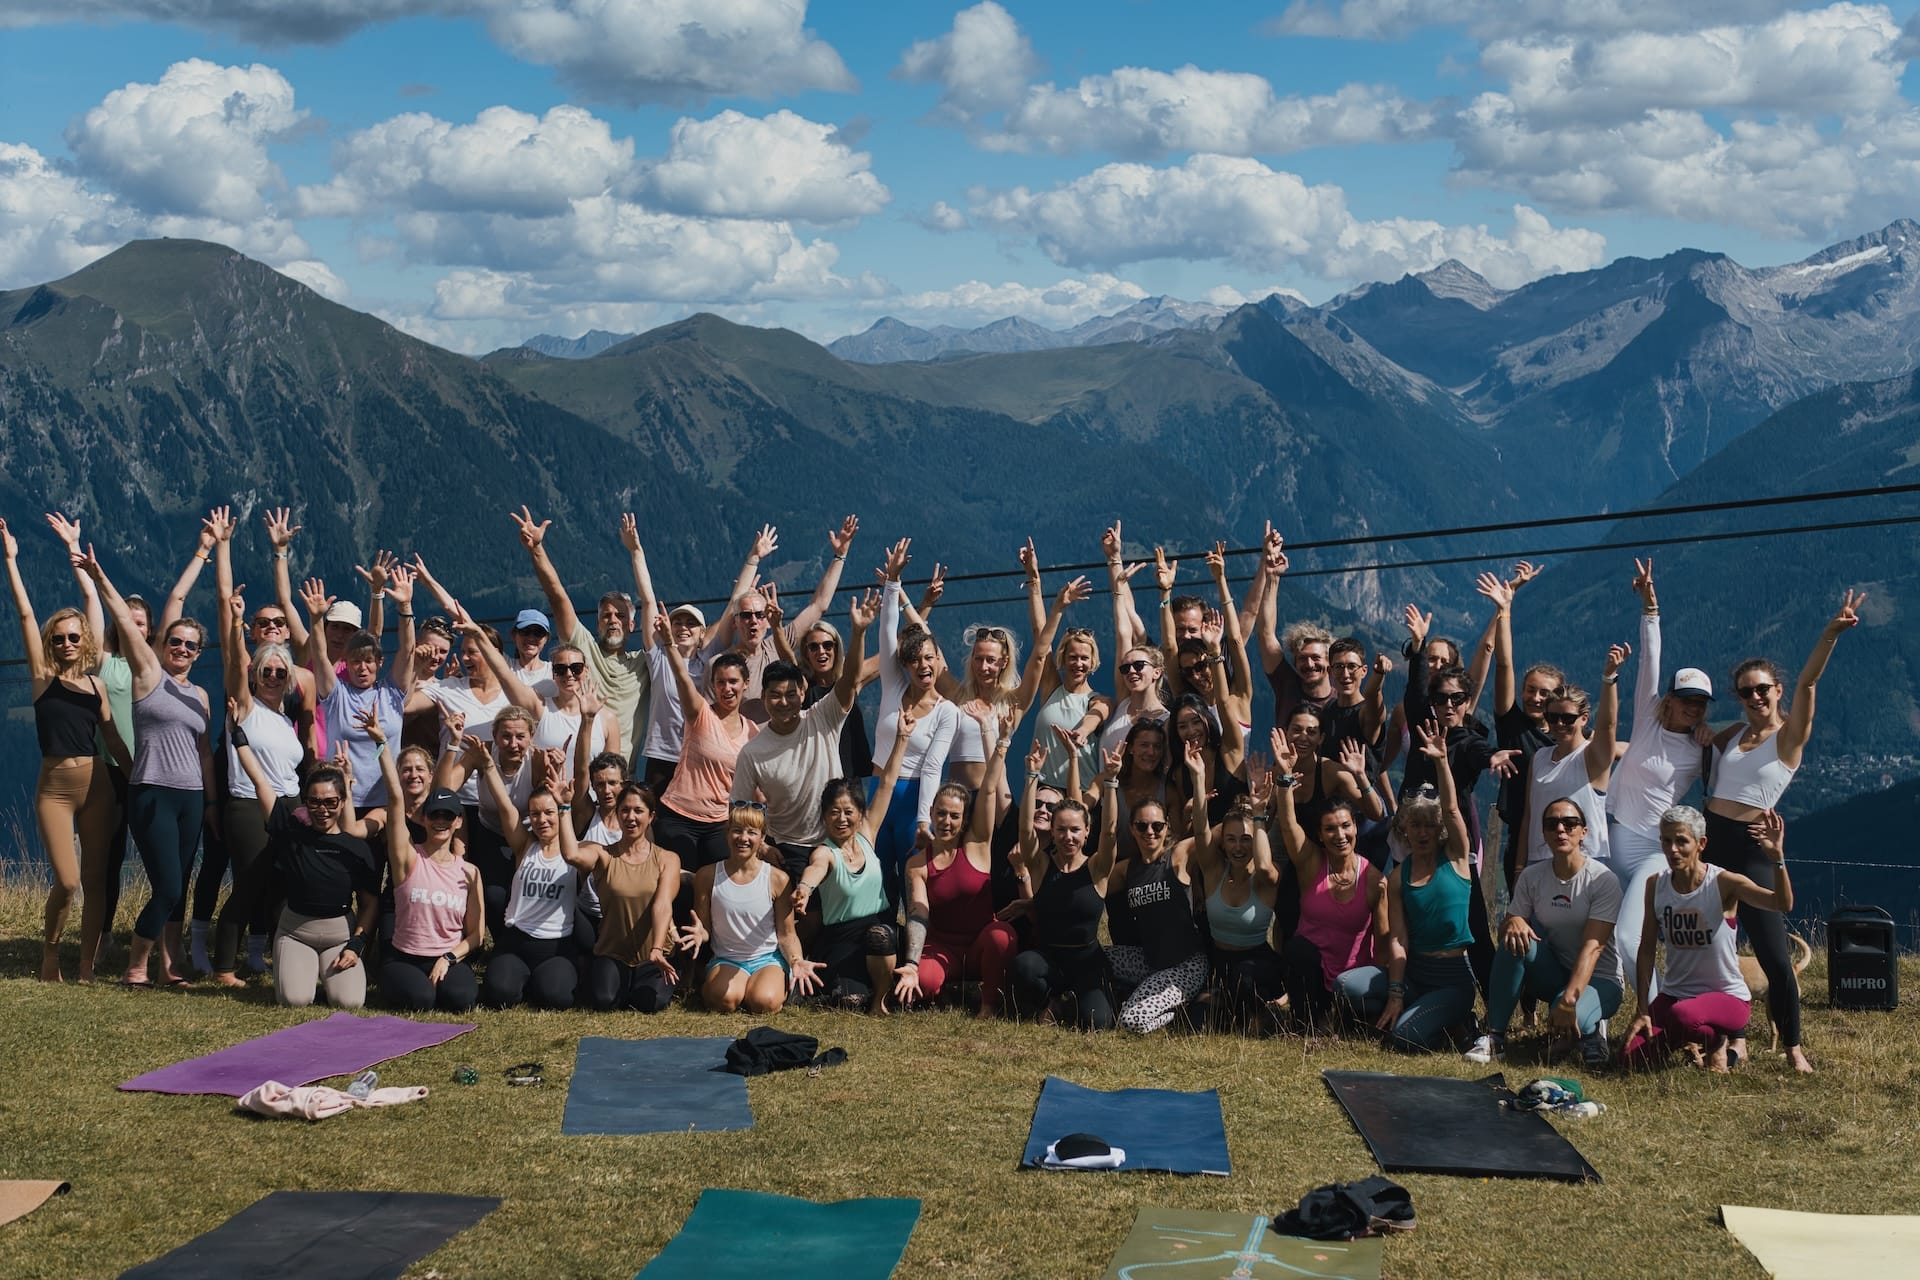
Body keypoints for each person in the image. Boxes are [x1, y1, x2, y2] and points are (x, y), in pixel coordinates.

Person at [1703, 591, 1862, 1075]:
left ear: (1777, 690)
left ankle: (1793, 1047)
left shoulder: (1789, 736)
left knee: (1772, 952)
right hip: (1712, 839)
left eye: (1763, 689)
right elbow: (1696, 743)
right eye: (1747, 691)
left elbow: (1810, 682)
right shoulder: (1731, 733)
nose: (1756, 697)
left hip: (1752, 847)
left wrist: (1829, 635)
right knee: (1717, 948)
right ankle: (1733, 1038)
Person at [73, 544, 215, 988]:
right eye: (175, 641)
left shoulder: (201, 696)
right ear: (162, 643)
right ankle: (136, 966)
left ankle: (168, 967)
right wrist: (98, 576)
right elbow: (124, 619)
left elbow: (205, 752)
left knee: (180, 889)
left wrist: (210, 803)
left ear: (198, 653)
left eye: (190, 645)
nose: (182, 648)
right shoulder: (147, 675)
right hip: (151, 789)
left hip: (191, 795)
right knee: (168, 886)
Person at [4, 518, 119, 982]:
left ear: (84, 641)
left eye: (75, 637)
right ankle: (51, 954)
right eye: (60, 638)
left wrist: (135, 774)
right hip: (54, 787)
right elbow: (26, 615)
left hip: (98, 786)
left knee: (95, 882)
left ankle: (87, 965)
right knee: (67, 881)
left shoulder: (95, 684)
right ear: (51, 645)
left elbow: (111, 738)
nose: (68, 642)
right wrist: (11, 560)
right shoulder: (41, 681)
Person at [1337, 722, 1481, 1052]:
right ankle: (1414, 1017)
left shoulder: (1457, 857)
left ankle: (1456, 1023)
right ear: (1405, 830)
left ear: (1439, 829)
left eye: (1429, 825)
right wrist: (1396, 993)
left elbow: (1452, 809)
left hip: (1453, 979)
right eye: (1415, 825)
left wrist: (1442, 762)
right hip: (1416, 975)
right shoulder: (1400, 877)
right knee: (1347, 986)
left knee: (1404, 1039)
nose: (1423, 832)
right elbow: (1399, 939)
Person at [1606, 558, 1713, 1001]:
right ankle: (1601, 1020)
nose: (1693, 707)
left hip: (1653, 848)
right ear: (1668, 700)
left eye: (1701, 702)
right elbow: (1651, 659)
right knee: (1602, 935)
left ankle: (1660, 1012)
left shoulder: (1701, 747)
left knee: (1630, 936)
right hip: (1609, 837)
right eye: (1686, 699)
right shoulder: (1648, 717)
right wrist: (1651, 606)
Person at [1624, 806, 1792, 1073]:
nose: (1673, 850)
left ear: (1701, 844)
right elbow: (1646, 949)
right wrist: (1642, 1008)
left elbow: (1781, 903)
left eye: (1681, 841)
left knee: (1682, 1017)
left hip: (1727, 998)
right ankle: (1707, 1043)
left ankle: (1718, 1039)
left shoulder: (1723, 883)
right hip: (1675, 994)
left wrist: (1777, 859)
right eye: (1666, 841)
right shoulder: (1656, 885)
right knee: (1632, 1060)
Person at [1468, 798, 1625, 1069]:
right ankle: (1495, 1037)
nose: (1561, 830)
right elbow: (1507, 926)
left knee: (1576, 1014)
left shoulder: (1602, 880)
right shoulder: (1532, 876)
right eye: (1552, 824)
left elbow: (1594, 946)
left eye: (1570, 823)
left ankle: (1589, 1032)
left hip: (1601, 979)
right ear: (1544, 834)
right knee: (1514, 939)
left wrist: (1569, 999)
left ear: (1583, 832)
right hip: (1555, 972)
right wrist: (1515, 920)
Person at [731, 591, 876, 884]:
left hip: (837, 840)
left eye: (790, 694)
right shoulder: (752, 752)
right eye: (775, 695)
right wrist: (761, 846)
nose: (783, 702)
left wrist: (859, 632)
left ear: (802, 693)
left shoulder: (822, 717)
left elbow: (848, 680)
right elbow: (739, 808)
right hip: (789, 851)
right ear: (764, 697)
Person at [231, 739, 380, 1010]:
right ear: (306, 801)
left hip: (340, 935)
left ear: (342, 801)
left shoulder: (357, 849)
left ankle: (323, 976)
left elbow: (370, 903)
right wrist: (239, 739)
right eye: (314, 802)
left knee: (350, 1002)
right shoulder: (291, 835)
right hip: (296, 932)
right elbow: (261, 783)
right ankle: (303, 971)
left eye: (330, 802)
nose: (322, 809)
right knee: (295, 1000)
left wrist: (356, 944)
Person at [793, 707, 918, 1012]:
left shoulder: (867, 833)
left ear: (860, 814)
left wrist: (902, 738)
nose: (841, 819)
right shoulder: (825, 852)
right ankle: (855, 993)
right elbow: (815, 869)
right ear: (824, 817)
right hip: (841, 940)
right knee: (849, 1002)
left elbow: (887, 783)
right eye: (834, 812)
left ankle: (881, 1000)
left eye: (848, 812)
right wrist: (805, 889)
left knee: (881, 935)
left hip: (879, 934)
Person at [210, 590, 304, 988]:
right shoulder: (245, 706)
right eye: (267, 671)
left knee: (284, 886)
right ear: (255, 673)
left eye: (281, 673)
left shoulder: (285, 718)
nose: (273, 677)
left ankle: (283, 962)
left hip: (290, 802)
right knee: (248, 886)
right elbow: (233, 663)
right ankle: (224, 967)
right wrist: (235, 624)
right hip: (248, 804)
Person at [893, 728, 1020, 1018]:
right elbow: (917, 912)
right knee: (922, 982)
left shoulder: (978, 845)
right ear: (931, 813)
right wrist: (912, 964)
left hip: (980, 946)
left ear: (964, 820)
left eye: (954, 815)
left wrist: (1001, 745)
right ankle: (945, 992)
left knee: (1003, 936)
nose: (946, 821)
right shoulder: (917, 863)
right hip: (941, 948)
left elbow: (988, 790)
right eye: (941, 813)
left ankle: (988, 1005)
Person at [513, 506, 650, 768]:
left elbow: (698, 638)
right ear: (597, 624)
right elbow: (557, 596)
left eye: (620, 616)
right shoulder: (583, 648)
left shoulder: (644, 662)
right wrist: (537, 549)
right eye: (606, 616)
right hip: (572, 768)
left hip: (621, 778)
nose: (613, 620)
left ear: (632, 624)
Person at [1270, 730, 1387, 1033]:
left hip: (1353, 982)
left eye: (1346, 826)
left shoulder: (1373, 878)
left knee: (1356, 1026)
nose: (1340, 835)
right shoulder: (1311, 863)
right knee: (1297, 949)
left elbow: (1385, 941)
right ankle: (1308, 1022)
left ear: (1356, 830)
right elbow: (1288, 824)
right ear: (1320, 835)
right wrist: (1283, 778)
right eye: (1331, 829)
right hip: (1313, 976)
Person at [364, 724, 482, 1013]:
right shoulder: (408, 857)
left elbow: (476, 935)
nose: (440, 821)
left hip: (444, 955)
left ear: (458, 822)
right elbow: (394, 798)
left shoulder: (469, 872)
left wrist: (450, 958)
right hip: (404, 957)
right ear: (424, 820)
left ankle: (435, 980)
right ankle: (394, 977)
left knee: (462, 999)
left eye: (448, 816)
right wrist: (382, 745)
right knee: (422, 1001)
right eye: (434, 816)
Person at [871, 538, 960, 900]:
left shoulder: (947, 711)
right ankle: (878, 948)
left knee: (914, 884)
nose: (923, 665)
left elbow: (933, 766)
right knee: (876, 881)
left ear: (938, 660)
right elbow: (887, 629)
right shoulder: (893, 687)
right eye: (915, 660)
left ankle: (917, 952)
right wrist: (893, 582)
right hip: (878, 794)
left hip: (913, 801)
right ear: (904, 666)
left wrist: (924, 819)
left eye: (929, 658)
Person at [1010, 741, 1119, 1029]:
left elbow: (1109, 832)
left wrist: (1110, 782)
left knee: (1097, 1023)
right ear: (1053, 831)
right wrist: (1031, 776)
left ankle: (1072, 1003)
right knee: (1024, 967)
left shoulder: (1097, 867)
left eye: (1075, 830)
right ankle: (1052, 1001)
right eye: (1061, 830)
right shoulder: (1041, 864)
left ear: (1086, 832)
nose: (1068, 837)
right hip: (1050, 960)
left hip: (1088, 963)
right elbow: (1024, 830)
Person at [1106, 746, 1208, 1035]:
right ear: (1132, 828)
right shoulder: (1127, 869)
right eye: (1142, 825)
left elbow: (1204, 833)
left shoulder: (1178, 856)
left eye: (1157, 825)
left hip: (1185, 966)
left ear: (1166, 828)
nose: (1150, 832)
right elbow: (1090, 887)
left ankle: (1180, 1011)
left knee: (1131, 1022)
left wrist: (1198, 779)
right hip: (1148, 961)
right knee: (1095, 958)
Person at [685, 801, 821, 1013]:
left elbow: (787, 934)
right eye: (737, 831)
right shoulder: (707, 875)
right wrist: (699, 934)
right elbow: (704, 928)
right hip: (726, 958)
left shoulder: (778, 879)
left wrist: (796, 960)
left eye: (751, 832)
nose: (743, 838)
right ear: (727, 833)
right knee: (724, 1000)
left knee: (763, 1002)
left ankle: (773, 983)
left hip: (767, 959)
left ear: (762, 838)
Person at [300, 571, 418, 808]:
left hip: (389, 803)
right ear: (347, 662)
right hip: (342, 802)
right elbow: (320, 656)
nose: (362, 668)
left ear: (379, 662)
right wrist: (315, 620)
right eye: (355, 661)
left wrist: (405, 606)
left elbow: (407, 651)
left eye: (368, 661)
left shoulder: (392, 693)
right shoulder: (336, 695)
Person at [478, 766, 592, 1010]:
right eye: (535, 814)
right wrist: (488, 765)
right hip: (516, 941)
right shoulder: (525, 846)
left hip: (556, 945)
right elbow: (505, 806)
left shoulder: (577, 853)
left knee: (556, 998)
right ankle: (519, 978)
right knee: (499, 994)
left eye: (548, 812)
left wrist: (564, 807)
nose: (542, 820)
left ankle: (543, 979)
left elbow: (581, 782)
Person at [1187, 750, 1285, 1032]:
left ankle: (1264, 1010)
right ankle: (1232, 1008)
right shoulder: (1214, 871)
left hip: (1257, 964)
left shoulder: (1267, 875)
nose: (1238, 847)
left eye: (1245, 840)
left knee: (1243, 984)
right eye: (1231, 840)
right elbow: (1201, 832)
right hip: (1219, 961)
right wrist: (1198, 778)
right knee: (1197, 1023)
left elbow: (1264, 864)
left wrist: (1258, 814)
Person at [654, 610, 759, 872]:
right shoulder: (700, 714)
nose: (727, 689)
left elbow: (755, 787)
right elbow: (681, 679)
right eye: (720, 682)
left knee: (713, 888)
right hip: (677, 815)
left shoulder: (753, 732)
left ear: (745, 684)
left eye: (733, 682)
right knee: (680, 887)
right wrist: (669, 644)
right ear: (712, 684)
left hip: (720, 823)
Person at [579, 782, 683, 1013]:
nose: (631, 817)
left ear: (651, 816)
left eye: (638, 811)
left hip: (654, 955)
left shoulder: (668, 858)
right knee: (605, 1001)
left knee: (649, 1003)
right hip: (614, 952)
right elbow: (571, 855)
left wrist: (657, 948)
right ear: (617, 813)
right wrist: (564, 808)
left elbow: (663, 904)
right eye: (624, 810)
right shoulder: (604, 854)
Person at [1519, 647, 1625, 871]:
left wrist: (1609, 678)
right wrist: (1520, 867)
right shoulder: (1539, 758)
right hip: (1539, 862)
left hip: (1586, 861)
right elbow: (1529, 817)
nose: (1559, 724)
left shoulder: (1593, 757)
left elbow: (1608, 725)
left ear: (1584, 719)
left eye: (1567, 718)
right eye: (1553, 717)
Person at [506, 608, 554, 690]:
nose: (531, 638)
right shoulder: (505, 666)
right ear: (514, 635)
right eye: (525, 631)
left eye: (538, 633)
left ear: (546, 638)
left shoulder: (556, 671)